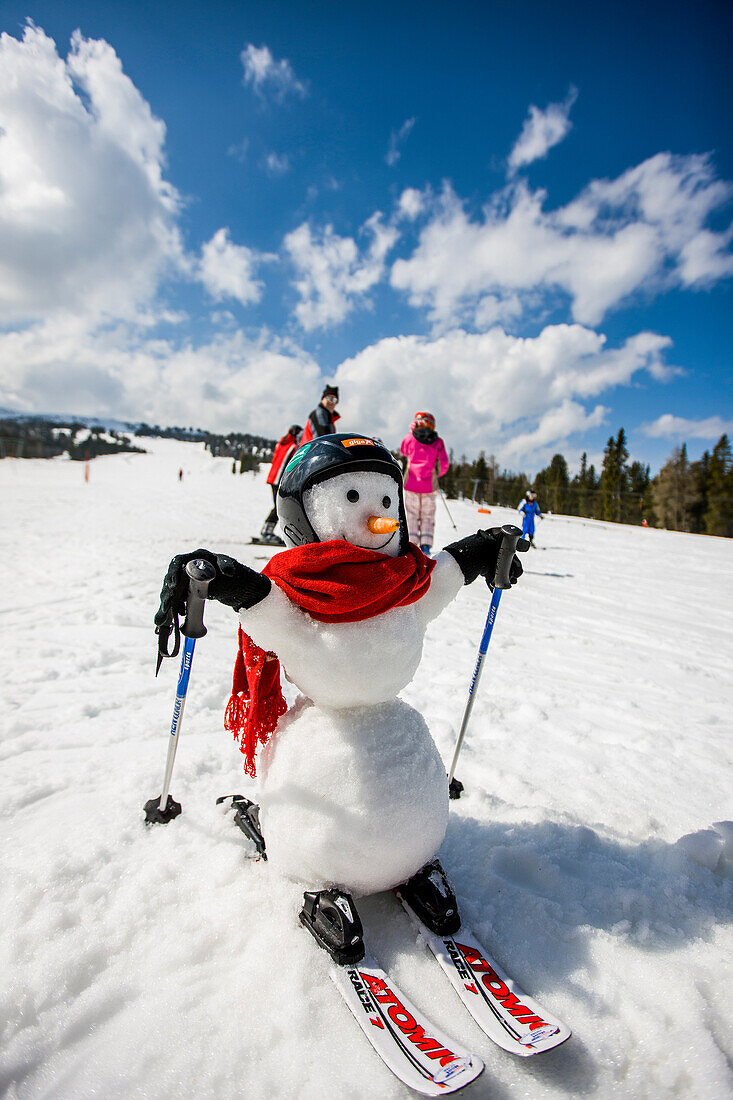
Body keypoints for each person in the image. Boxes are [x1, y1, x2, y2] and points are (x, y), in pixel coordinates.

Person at [399, 412, 449, 556]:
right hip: (429, 485)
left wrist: (411, 432)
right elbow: (444, 463)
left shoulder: (410, 438)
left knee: (412, 514)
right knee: (427, 515)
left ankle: (413, 543)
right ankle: (426, 545)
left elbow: (403, 450)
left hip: (411, 483)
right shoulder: (437, 441)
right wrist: (436, 473)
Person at [257, 424, 302, 545]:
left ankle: (266, 531)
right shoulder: (293, 447)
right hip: (279, 479)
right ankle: (266, 532)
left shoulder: (282, 443)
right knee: (279, 507)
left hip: (273, 477)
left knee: (277, 506)